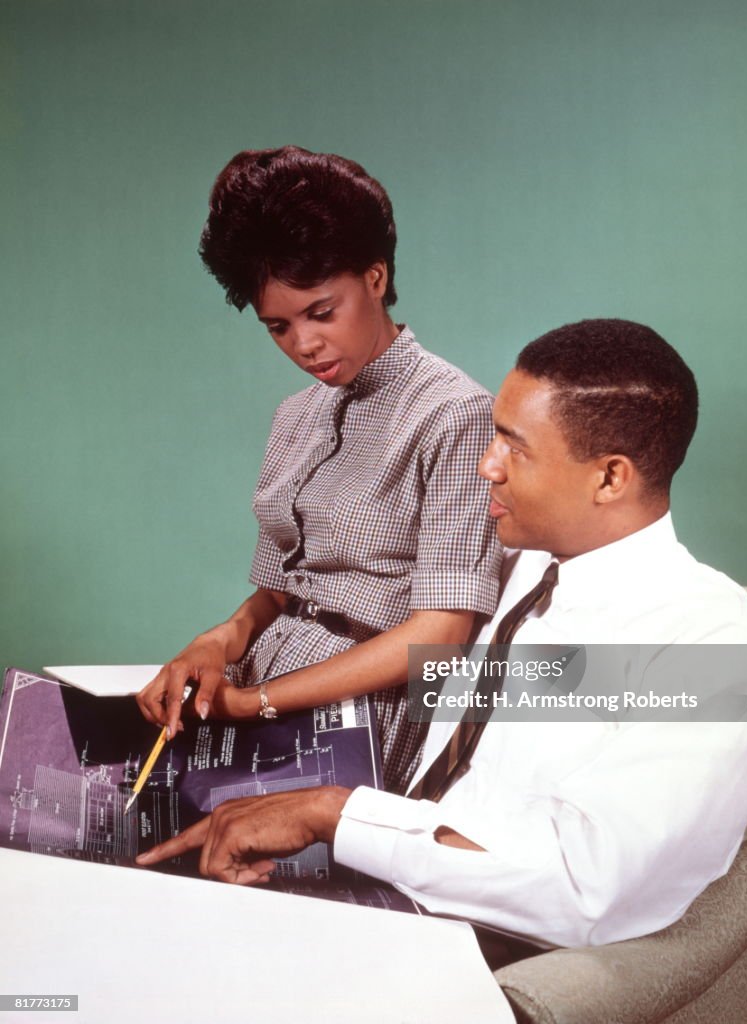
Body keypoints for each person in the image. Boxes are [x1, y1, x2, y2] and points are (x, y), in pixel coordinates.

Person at [137, 319, 747, 959]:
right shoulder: (520, 563)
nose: (486, 466)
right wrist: (223, 641)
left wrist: (333, 815)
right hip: (372, 881)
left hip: (483, 945)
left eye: (514, 447)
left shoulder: (728, 650)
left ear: (610, 478)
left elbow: (581, 888)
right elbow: (328, 588)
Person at [135, 147, 501, 794]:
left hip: (358, 732)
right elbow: (281, 594)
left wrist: (258, 703)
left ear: (377, 277)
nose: (303, 345)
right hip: (257, 702)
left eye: (321, 313)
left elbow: (441, 635)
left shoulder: (455, 414)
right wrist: (218, 641)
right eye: (278, 326)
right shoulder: (296, 416)